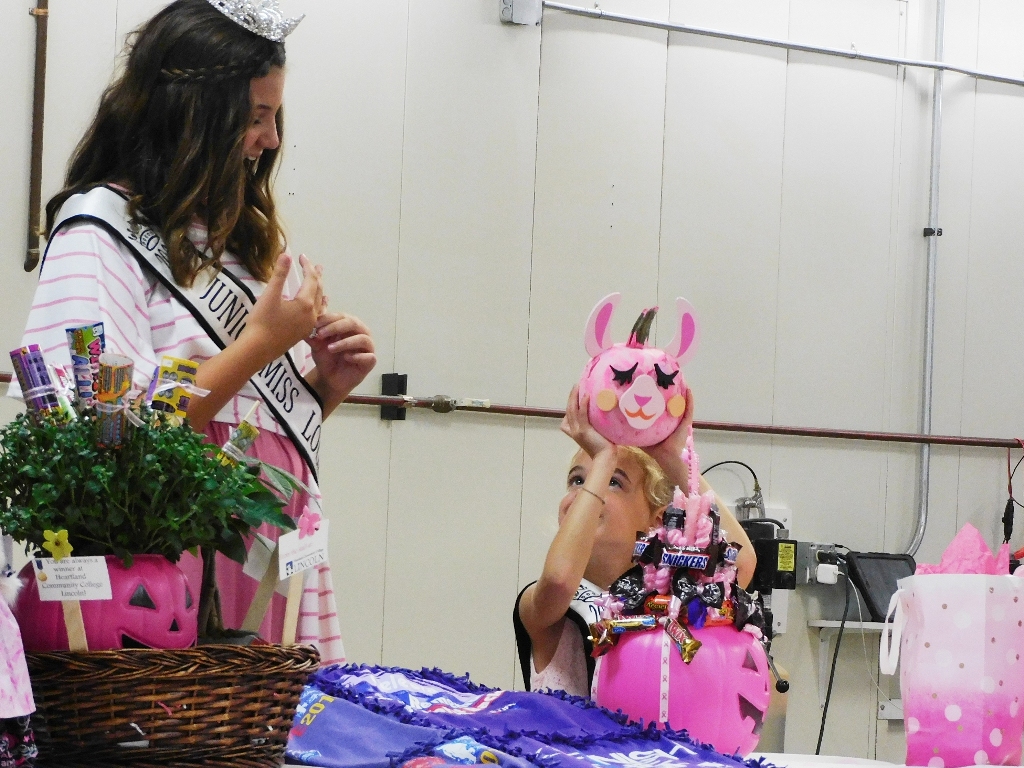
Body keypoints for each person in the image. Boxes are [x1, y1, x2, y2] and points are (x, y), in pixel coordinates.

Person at [14, 0, 375, 664]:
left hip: (264, 558)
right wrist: (261, 343)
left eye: (275, 117)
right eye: (256, 116)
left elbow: (245, 426)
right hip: (165, 571)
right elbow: (111, 437)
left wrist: (324, 386)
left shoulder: (234, 240)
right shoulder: (101, 231)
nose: (270, 139)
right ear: (194, 112)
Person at [513, 386, 756, 698]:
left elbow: (741, 562)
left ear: (656, 520)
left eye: (613, 481)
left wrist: (672, 459)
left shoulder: (664, 596)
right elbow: (560, 580)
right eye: (577, 480)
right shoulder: (542, 602)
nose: (586, 493)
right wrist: (604, 458)